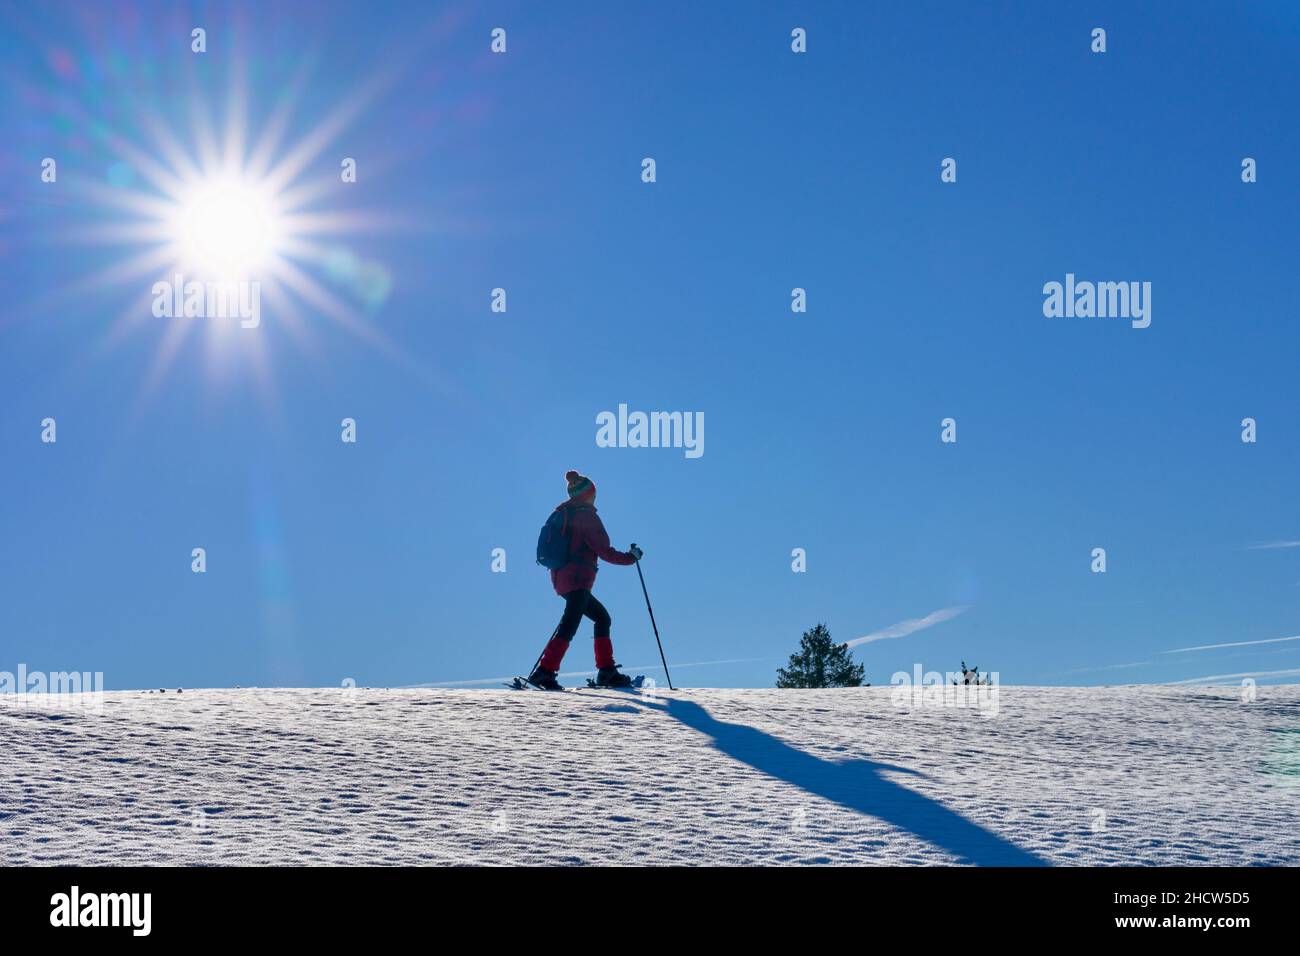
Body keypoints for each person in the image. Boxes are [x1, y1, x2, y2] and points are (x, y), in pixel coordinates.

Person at [529, 470, 643, 690]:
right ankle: (546, 671)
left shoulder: (564, 513)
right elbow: (605, 551)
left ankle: (605, 670)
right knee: (570, 624)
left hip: (562, 578)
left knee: (601, 618)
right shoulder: (586, 516)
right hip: (577, 578)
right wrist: (631, 558)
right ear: (588, 494)